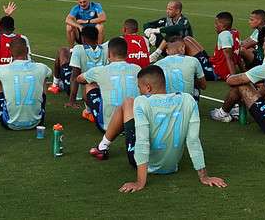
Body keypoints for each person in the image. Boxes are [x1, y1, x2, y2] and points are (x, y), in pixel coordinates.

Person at [88, 65, 227, 193]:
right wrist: (204, 177)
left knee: (127, 102)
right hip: (172, 166)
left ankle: (103, 146)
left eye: (139, 87)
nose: (139, 91)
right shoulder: (188, 99)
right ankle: (103, 146)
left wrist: (140, 182)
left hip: (143, 164)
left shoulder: (141, 102)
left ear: (148, 87)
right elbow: (193, 141)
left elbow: (142, 142)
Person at [76, 37, 141, 132]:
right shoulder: (137, 69)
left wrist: (100, 82)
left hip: (108, 127)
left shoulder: (99, 71)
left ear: (109, 54)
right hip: (133, 125)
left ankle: (89, 112)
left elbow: (79, 79)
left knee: (89, 85)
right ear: (127, 54)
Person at [0, 37, 51, 130]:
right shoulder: (41, 67)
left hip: (10, 124)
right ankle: (38, 110)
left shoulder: (2, 69)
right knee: (44, 77)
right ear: (27, 50)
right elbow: (49, 72)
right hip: (37, 122)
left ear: (10, 52)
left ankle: (8, 110)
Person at [49, 25, 107, 107]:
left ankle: (55, 84)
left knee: (62, 51)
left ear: (82, 38)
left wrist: (72, 101)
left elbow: (74, 77)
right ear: (97, 37)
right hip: (96, 90)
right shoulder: (105, 48)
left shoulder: (78, 48)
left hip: (79, 92)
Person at [0, 16, 31, 90]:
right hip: (19, 77)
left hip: (1, 78)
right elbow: (29, 59)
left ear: (0, 28)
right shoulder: (22, 38)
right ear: (14, 28)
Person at [154, 36, 206, 100]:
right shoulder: (193, 60)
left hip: (166, 105)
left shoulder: (157, 64)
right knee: (195, 84)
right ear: (182, 48)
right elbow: (203, 86)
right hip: (186, 106)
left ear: (167, 51)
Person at [208, 12, 242, 80]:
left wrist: (233, 78)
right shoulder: (235, 32)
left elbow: (228, 57)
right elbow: (238, 56)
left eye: (216, 23)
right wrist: (244, 71)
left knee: (188, 42)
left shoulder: (224, 35)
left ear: (223, 25)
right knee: (189, 40)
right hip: (218, 65)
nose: (215, 25)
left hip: (217, 71)